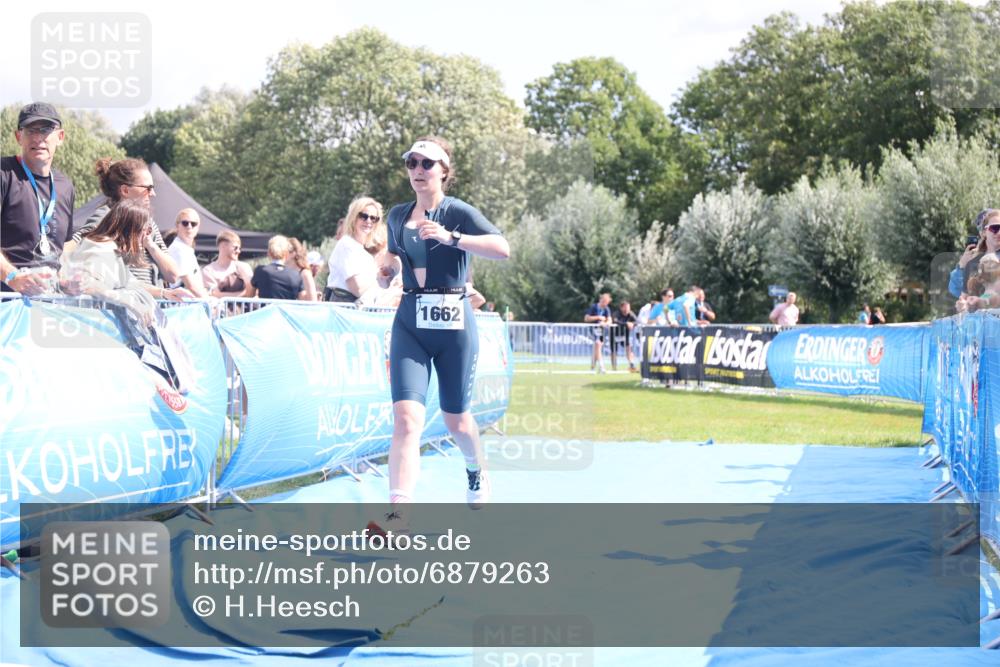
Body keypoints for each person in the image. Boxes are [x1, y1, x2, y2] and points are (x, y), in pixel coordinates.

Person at [367, 137, 509, 536]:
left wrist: (453, 238)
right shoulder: (396, 215)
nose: (417, 169)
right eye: (411, 162)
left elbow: (502, 248)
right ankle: (398, 518)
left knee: (456, 420)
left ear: (443, 170)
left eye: (426, 163)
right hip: (411, 321)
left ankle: (475, 469)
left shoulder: (458, 211)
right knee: (407, 419)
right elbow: (395, 255)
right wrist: (388, 268)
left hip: (454, 327)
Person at [59, 200, 196, 403]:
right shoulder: (100, 249)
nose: (146, 237)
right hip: (92, 334)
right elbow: (89, 285)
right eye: (144, 230)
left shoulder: (111, 249)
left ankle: (164, 379)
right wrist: (130, 303)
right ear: (131, 227)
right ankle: (161, 380)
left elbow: (128, 282)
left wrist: (165, 293)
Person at [68, 157, 187, 300]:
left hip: (149, 306)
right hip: (121, 308)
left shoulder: (148, 222)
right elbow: (71, 247)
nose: (153, 194)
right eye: (147, 188)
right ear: (125, 190)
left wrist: (150, 245)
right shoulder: (107, 216)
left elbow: (173, 275)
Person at [1, 102, 76, 295]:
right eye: (30, 130)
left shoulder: (65, 186)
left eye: (45, 130)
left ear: (60, 137)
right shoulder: (4, 173)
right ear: (19, 137)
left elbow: (64, 245)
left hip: (50, 301)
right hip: (7, 300)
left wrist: (68, 276)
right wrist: (12, 277)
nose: (37, 138)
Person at [325, 197, 385, 303]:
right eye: (363, 216)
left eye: (373, 218)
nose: (368, 221)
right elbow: (357, 289)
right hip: (344, 307)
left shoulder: (361, 251)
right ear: (354, 217)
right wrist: (377, 270)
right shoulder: (347, 245)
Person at [949, 209, 993, 298]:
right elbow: (956, 291)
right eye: (982, 228)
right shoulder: (976, 259)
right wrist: (962, 266)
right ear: (981, 233)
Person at [167, 209, 209, 298]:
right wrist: (210, 302)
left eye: (193, 224)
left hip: (189, 305)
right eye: (185, 223)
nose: (189, 226)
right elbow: (190, 286)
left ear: (198, 228)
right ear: (177, 226)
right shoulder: (178, 249)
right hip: (182, 306)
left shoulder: (185, 249)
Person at [247, 235, 304, 300]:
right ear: (287, 253)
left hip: (267, 310)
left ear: (269, 253)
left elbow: (249, 296)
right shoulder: (295, 275)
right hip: (286, 310)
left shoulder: (260, 271)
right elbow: (302, 299)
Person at [202, 230, 253, 298]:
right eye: (235, 248)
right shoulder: (208, 271)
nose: (238, 251)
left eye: (239, 248)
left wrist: (246, 279)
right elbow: (215, 295)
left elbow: (253, 292)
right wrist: (243, 294)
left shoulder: (244, 267)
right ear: (223, 246)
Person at [585, 292, 613, 373]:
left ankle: (592, 367)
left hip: (601, 331)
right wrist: (598, 317)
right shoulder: (593, 307)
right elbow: (586, 318)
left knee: (597, 348)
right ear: (600, 300)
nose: (605, 304)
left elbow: (610, 320)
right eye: (604, 302)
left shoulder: (607, 309)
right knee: (597, 344)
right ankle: (601, 367)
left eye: (607, 303)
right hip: (593, 330)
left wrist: (605, 323)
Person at [612, 299, 638, 372]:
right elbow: (615, 321)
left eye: (628, 307)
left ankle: (632, 365)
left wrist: (632, 324)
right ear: (621, 308)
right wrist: (626, 323)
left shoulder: (631, 313)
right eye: (626, 307)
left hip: (624, 334)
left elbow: (637, 321)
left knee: (628, 348)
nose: (627, 309)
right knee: (614, 351)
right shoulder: (617, 313)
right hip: (614, 333)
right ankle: (614, 368)